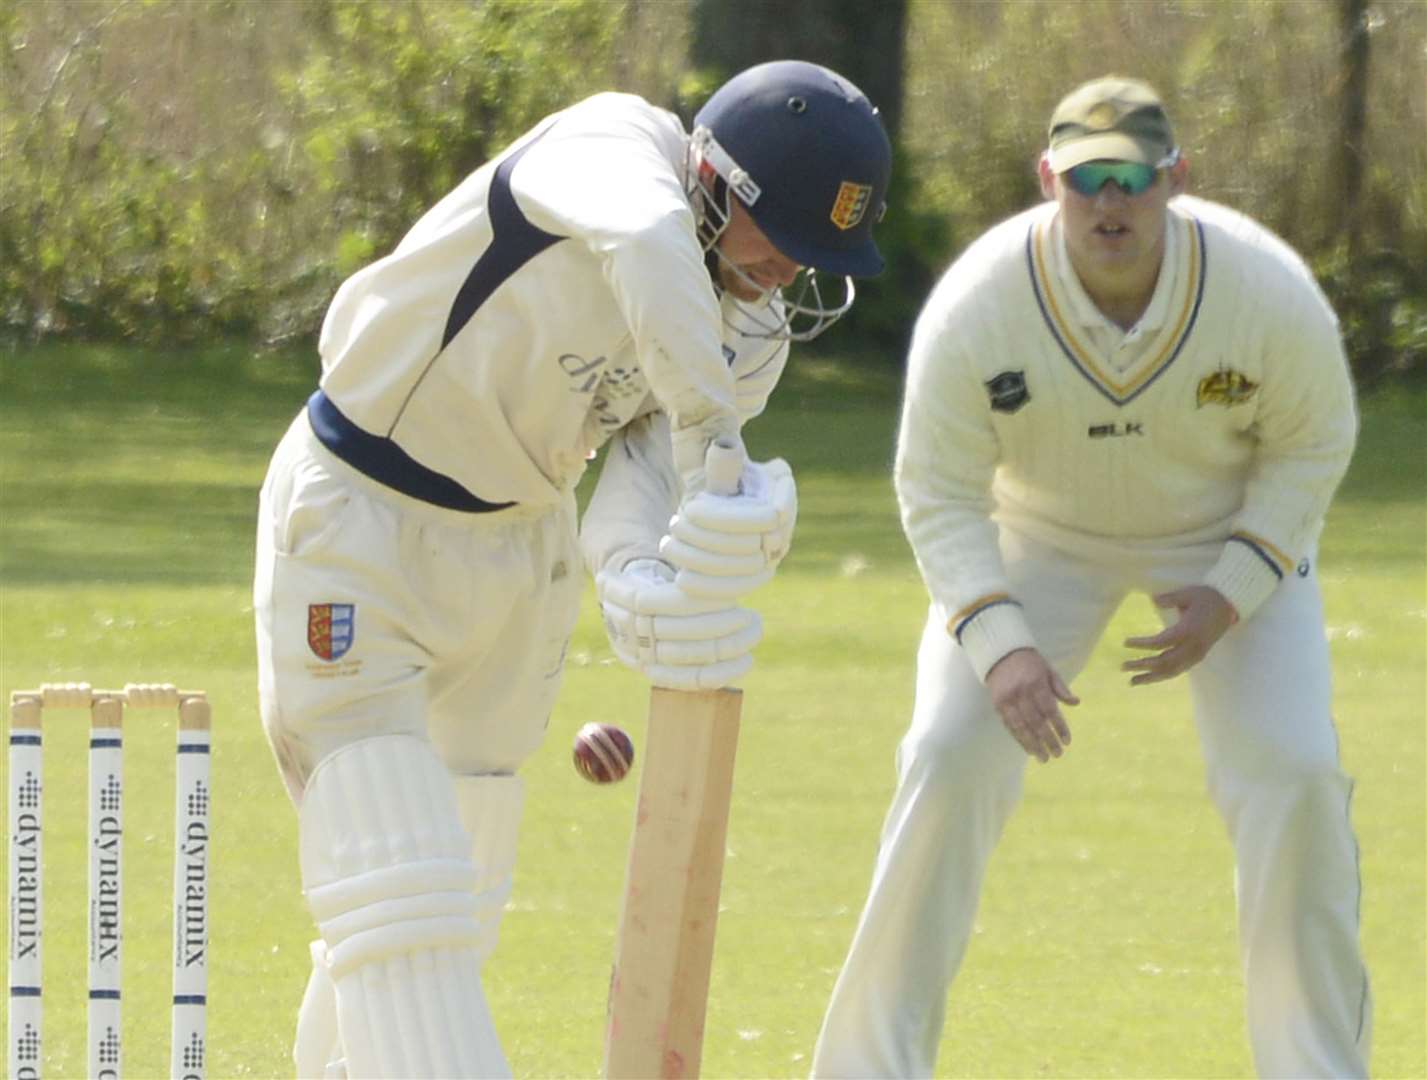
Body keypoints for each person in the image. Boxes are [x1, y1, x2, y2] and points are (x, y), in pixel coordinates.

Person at [252, 60, 892, 1076]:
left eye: (817, 255)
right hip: (359, 519)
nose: (788, 272)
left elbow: (636, 476)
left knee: (451, 902)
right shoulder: (609, 146)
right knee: (398, 897)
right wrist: (713, 440)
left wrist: (641, 573)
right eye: (785, 238)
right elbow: (644, 248)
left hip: (520, 551)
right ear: (718, 179)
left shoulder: (746, 335)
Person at [811, 76, 1370, 1078]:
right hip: (1038, 539)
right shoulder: (980, 303)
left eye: (1130, 178)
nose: (1108, 203)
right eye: (1085, 180)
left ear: (1173, 178)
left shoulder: (1260, 287)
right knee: (944, 755)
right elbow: (934, 486)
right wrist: (997, 639)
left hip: (1220, 536)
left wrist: (1236, 584)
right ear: (1046, 181)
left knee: (1293, 773)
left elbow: (1314, 439)